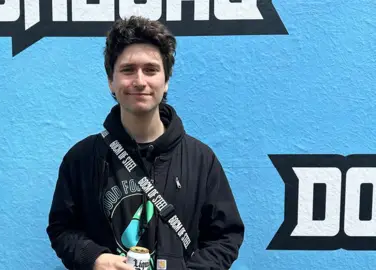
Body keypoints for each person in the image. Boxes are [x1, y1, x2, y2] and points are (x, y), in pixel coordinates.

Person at [46, 15, 245, 270]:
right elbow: (63, 228)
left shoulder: (201, 160)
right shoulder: (82, 158)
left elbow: (226, 236)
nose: (140, 81)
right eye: (128, 70)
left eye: (151, 70)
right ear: (111, 81)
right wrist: (93, 258)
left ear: (166, 81)